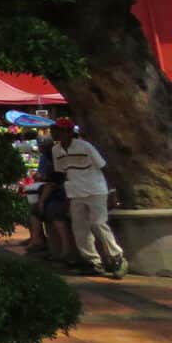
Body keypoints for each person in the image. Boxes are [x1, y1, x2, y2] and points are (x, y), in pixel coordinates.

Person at [51, 118, 128, 279]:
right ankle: (93, 262)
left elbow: (105, 167)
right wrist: (67, 198)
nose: (55, 132)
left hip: (95, 190)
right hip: (75, 193)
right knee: (80, 229)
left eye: (59, 130)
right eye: (54, 129)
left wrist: (112, 191)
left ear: (70, 133)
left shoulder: (85, 146)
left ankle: (117, 258)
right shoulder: (56, 150)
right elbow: (64, 174)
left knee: (99, 224)